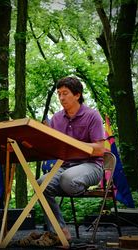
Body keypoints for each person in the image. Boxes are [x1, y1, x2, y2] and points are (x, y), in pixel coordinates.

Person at [37, 76, 105, 241]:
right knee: (40, 183)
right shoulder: (56, 119)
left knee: (67, 179)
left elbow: (100, 150)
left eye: (65, 93)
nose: (61, 98)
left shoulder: (92, 116)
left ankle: (74, 185)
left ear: (77, 95)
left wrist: (73, 143)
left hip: (92, 166)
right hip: (65, 167)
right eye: (59, 94)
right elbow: (53, 147)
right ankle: (60, 231)